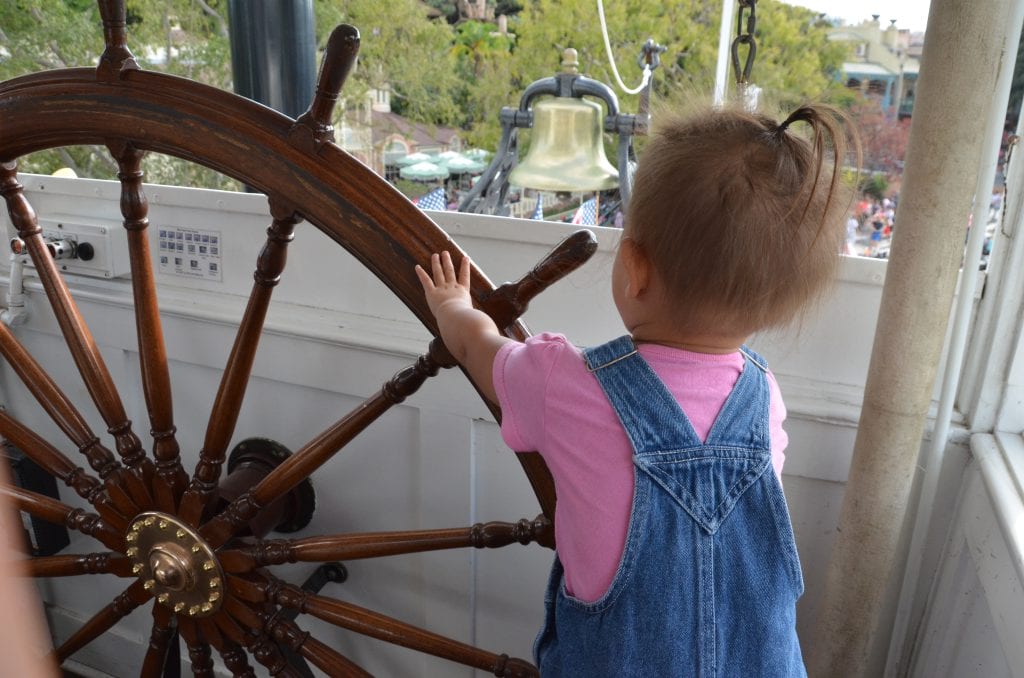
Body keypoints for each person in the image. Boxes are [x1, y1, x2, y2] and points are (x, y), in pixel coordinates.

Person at [415, 103, 858, 677]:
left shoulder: (563, 382)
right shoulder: (765, 396)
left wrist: (455, 308)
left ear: (636, 267)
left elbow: (478, 351)